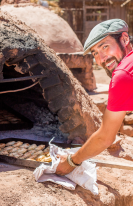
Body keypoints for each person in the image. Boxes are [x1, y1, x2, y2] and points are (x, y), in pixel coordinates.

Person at [56, 19, 133, 175]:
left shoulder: (122, 75)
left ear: (124, 39)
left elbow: (105, 137)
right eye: (95, 53)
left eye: (105, 46)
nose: (101, 58)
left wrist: (71, 161)